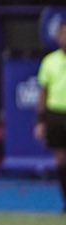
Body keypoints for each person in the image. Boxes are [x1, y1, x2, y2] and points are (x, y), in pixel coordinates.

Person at [34, 21, 66, 212]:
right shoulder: (49, 61)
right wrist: (41, 121)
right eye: (63, 33)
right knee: (61, 160)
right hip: (56, 115)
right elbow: (43, 93)